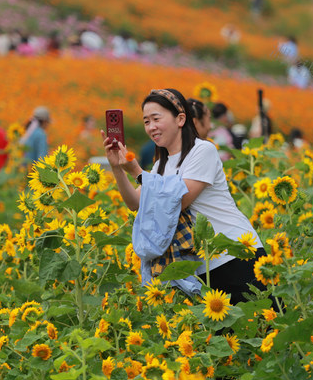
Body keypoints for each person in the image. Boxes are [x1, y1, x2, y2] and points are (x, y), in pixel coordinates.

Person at [103, 88, 267, 302]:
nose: (151, 127)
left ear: (180, 119)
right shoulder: (161, 165)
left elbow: (177, 202)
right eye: (146, 122)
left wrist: (137, 172)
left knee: (260, 327)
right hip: (202, 266)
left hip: (235, 255)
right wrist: (116, 167)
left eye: (156, 119)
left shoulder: (203, 151)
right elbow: (136, 203)